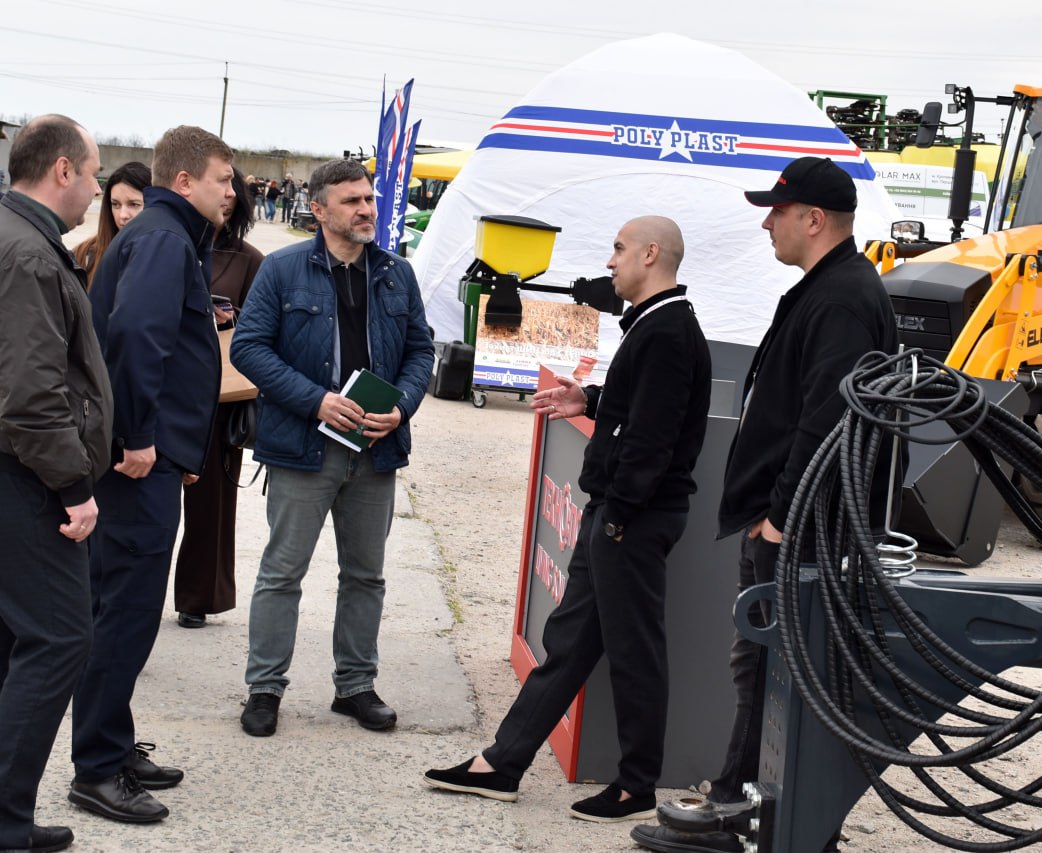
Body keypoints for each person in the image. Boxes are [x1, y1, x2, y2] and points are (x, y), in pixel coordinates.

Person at [631, 157, 901, 853]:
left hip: (800, 528)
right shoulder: (830, 288)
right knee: (774, 671)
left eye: (777, 211)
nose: (766, 223)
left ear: (813, 219)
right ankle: (766, 812)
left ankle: (738, 816)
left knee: (770, 671)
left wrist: (781, 518)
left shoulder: (842, 298)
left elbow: (825, 420)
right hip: (797, 523)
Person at [424, 216, 713, 823]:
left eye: (618, 249)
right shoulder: (656, 325)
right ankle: (502, 763)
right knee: (570, 644)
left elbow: (653, 440)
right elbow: (641, 407)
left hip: (632, 519)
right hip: (616, 515)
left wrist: (618, 517)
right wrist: (592, 400)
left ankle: (636, 787)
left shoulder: (668, 330)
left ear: (650, 254)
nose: (609, 262)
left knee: (634, 652)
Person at [231, 158, 434, 738]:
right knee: (282, 572)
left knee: (366, 575)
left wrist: (403, 406)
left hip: (375, 449)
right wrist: (315, 400)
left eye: (368, 198)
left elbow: (421, 351)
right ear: (318, 210)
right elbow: (248, 347)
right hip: (303, 447)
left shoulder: (397, 274)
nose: (366, 209)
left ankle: (355, 687)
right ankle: (265, 688)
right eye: (352, 201)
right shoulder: (282, 270)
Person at [71, 125, 235, 824]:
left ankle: (111, 742)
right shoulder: (166, 239)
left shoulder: (170, 236)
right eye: (223, 180)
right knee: (127, 612)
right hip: (138, 459)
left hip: (155, 454)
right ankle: (97, 769)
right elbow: (136, 338)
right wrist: (139, 437)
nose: (233, 193)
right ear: (186, 181)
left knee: (123, 608)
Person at [0, 113, 109, 853]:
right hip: (27, 478)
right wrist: (73, 486)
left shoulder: (20, 239)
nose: (97, 189)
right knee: (60, 638)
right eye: (94, 173)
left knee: (19, 638)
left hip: (18, 470)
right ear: (63, 170)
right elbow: (32, 395)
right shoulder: (29, 255)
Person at [172, 166, 264, 629]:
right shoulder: (171, 243)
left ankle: (199, 596)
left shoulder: (250, 260)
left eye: (231, 197)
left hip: (219, 396)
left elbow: (264, 332)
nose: (223, 202)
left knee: (212, 505)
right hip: (162, 387)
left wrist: (230, 316)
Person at [72, 161, 150, 286]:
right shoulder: (83, 255)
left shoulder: (170, 254)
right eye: (115, 204)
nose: (123, 215)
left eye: (134, 204)